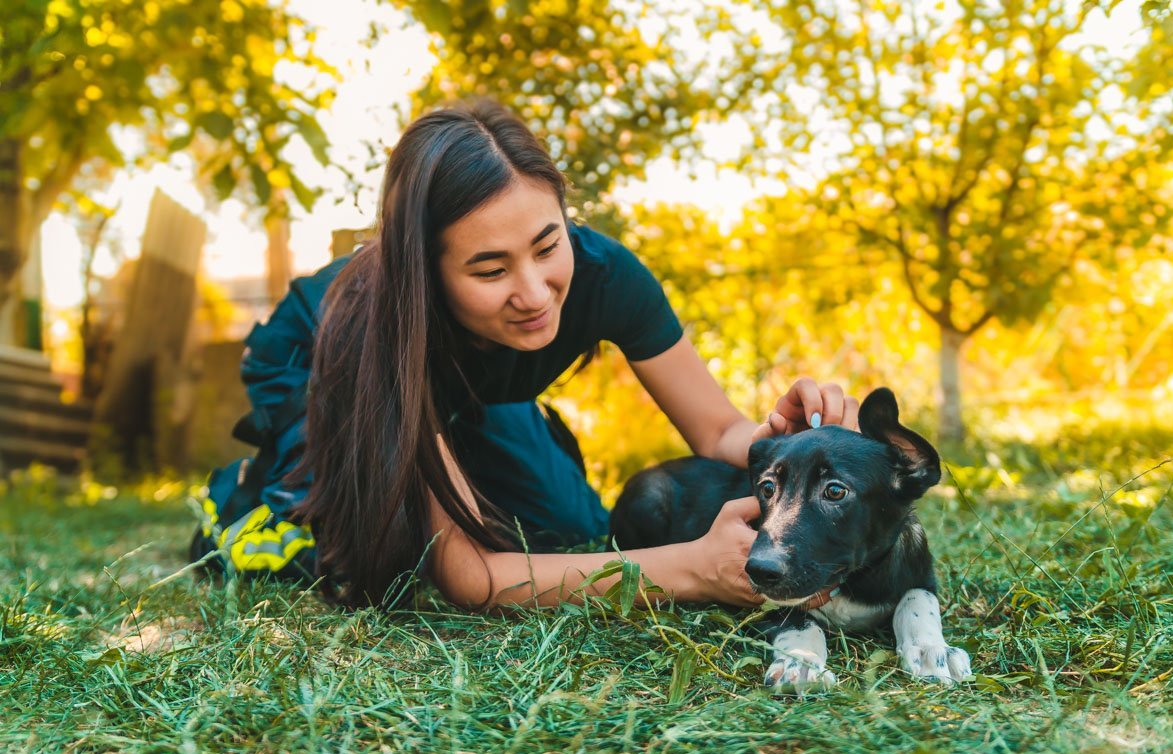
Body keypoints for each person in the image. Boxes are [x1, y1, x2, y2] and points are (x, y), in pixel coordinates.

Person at [195, 100, 859, 610]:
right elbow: (470, 576)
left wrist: (783, 439)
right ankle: (253, 496)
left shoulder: (607, 276)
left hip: (469, 391)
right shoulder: (386, 329)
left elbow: (719, 430)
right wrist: (687, 569)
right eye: (490, 270)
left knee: (571, 532)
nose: (535, 293)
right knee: (377, 554)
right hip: (328, 363)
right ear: (427, 274)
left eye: (547, 246)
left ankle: (458, 442)